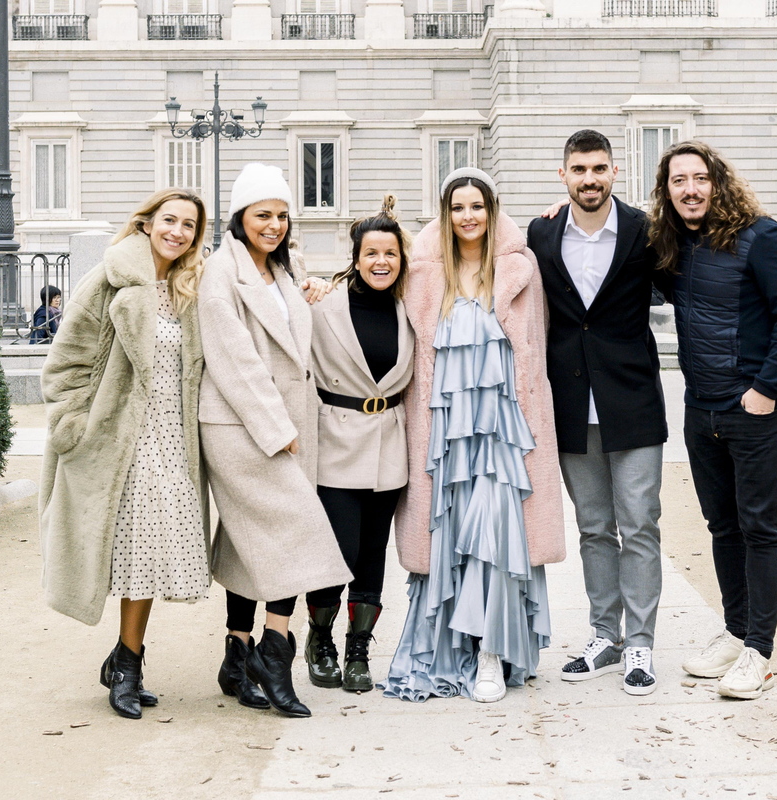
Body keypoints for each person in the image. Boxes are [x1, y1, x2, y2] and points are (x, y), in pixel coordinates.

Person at [383, 168, 565, 704]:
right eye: (458, 207)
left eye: (477, 206)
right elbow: (369, 290)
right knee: (450, 539)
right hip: (445, 438)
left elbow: (536, 349)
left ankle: (491, 653)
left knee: (496, 539)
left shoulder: (519, 269)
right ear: (445, 214)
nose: (468, 216)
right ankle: (447, 647)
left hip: (503, 437)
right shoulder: (420, 274)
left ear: (492, 211)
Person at [649, 140, 777, 700]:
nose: (690, 189)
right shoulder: (673, 244)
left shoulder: (763, 237)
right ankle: (736, 632)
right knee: (723, 528)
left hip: (759, 412)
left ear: (718, 182)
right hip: (703, 411)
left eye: (700, 178)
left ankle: (758, 653)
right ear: (667, 191)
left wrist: (765, 390)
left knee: (760, 527)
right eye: (679, 181)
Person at [39, 188, 210, 720]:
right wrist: (73, 427)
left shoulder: (188, 287)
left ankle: (123, 658)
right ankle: (128, 666)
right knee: (138, 551)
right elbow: (64, 363)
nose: (177, 231)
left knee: (152, 552)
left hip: (172, 438)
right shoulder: (109, 279)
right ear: (146, 223)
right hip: (119, 440)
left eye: (188, 225)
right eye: (169, 220)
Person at [198, 163, 352, 718]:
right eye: (263, 214)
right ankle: (274, 650)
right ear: (239, 217)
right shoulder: (221, 271)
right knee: (297, 529)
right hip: (242, 425)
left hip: (287, 420)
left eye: (283, 215)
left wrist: (314, 291)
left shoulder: (286, 269)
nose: (274, 225)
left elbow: (295, 335)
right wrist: (277, 430)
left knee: (250, 538)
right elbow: (233, 358)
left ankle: (236, 653)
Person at [527, 129, 668, 697]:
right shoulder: (540, 232)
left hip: (632, 401)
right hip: (568, 402)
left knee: (639, 523)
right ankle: (605, 635)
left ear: (614, 172)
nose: (590, 179)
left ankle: (641, 643)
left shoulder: (645, 231)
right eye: (580, 170)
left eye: (599, 168)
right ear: (563, 175)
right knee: (593, 527)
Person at [302, 195, 415, 693]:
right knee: (337, 551)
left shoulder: (411, 308)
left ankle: (358, 650)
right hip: (337, 441)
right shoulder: (323, 306)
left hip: (389, 442)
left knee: (372, 554)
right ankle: (320, 639)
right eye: (371, 253)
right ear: (356, 257)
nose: (381, 262)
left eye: (390, 253)